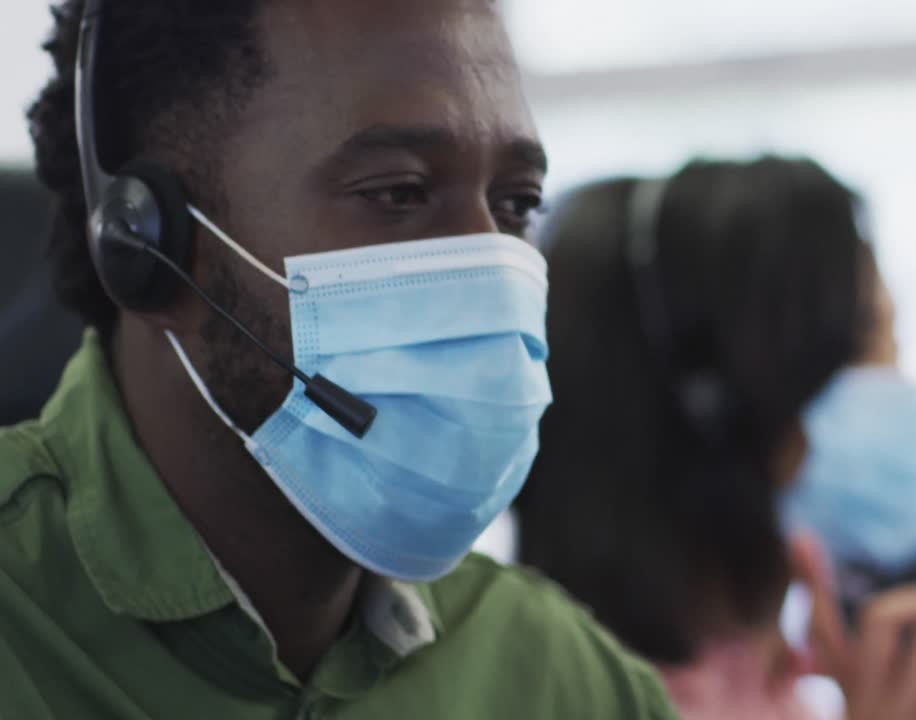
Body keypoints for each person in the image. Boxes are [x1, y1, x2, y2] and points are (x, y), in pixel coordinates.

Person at [0, 1, 677, 717]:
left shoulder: (568, 682)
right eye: (399, 193)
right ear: (147, 245)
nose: (488, 265)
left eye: (516, 204)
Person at [515, 157, 916, 720]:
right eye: (867, 344)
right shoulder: (596, 701)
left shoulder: (772, 680)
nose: (895, 380)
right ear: (722, 413)